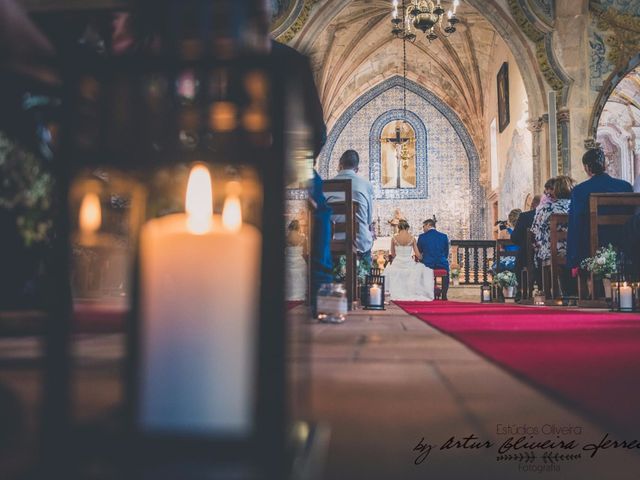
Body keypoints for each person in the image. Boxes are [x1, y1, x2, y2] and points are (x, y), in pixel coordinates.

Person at [567, 148, 633, 272]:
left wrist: (573, 260)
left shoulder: (580, 190)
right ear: (604, 165)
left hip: (592, 246)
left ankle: (591, 286)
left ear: (587, 168)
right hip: (623, 243)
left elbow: (575, 225)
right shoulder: (625, 186)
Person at [326, 150, 375, 267]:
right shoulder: (366, 185)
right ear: (356, 169)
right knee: (366, 242)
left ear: (340, 165)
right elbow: (368, 220)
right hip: (360, 245)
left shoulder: (327, 185)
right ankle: (363, 283)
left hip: (335, 244)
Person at [383, 220, 434, 301]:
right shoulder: (412, 238)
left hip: (397, 262)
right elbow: (417, 254)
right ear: (407, 228)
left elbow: (393, 254)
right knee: (419, 270)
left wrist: (398, 257)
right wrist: (421, 257)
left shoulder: (394, 238)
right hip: (409, 262)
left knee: (391, 271)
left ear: (399, 228)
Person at [511, 194, 542, 297]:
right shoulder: (553, 213)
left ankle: (521, 290)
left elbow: (514, 238)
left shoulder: (525, 216)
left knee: (521, 255)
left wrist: (526, 244)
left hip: (529, 255)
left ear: (533, 204)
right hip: (551, 252)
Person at [417, 218, 450, 300]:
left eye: (423, 226)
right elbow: (446, 252)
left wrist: (422, 261)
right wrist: (441, 259)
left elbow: (419, 252)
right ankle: (444, 295)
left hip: (427, 264)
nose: (423, 228)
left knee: (419, 270)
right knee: (446, 273)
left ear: (428, 225)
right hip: (442, 263)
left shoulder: (422, 237)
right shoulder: (444, 236)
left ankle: (427, 294)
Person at [285, 220, 308, 301]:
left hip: (288, 261)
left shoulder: (286, 237)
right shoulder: (302, 237)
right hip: (299, 261)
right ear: (299, 227)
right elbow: (306, 252)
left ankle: (289, 294)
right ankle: (299, 294)